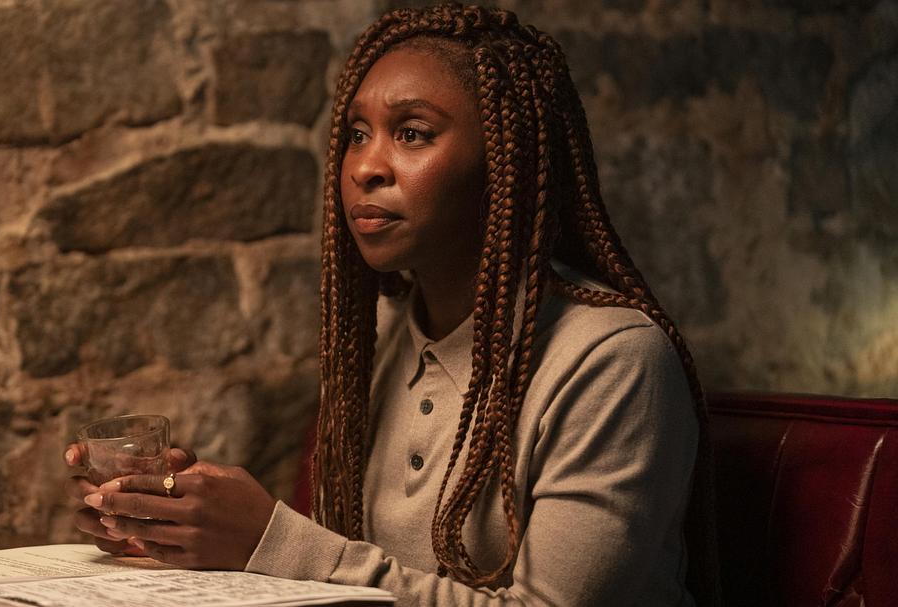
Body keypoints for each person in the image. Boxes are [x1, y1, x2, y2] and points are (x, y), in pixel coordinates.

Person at [64, 4, 720, 605]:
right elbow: (349, 577)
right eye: (356, 134)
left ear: (508, 161)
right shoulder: (378, 339)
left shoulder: (614, 360)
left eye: (412, 133)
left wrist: (271, 538)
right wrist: (181, 526)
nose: (364, 168)